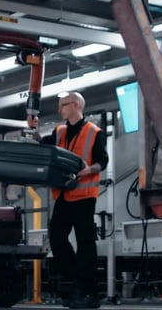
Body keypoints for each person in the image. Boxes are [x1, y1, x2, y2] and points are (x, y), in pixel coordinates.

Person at [27, 92, 107, 309]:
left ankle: (90, 294)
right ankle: (78, 282)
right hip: (63, 195)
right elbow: (46, 145)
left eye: (63, 105)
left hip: (83, 196)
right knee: (57, 239)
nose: (60, 109)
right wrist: (34, 132)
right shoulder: (60, 131)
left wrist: (87, 170)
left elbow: (102, 161)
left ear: (76, 105)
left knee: (85, 244)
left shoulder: (94, 132)